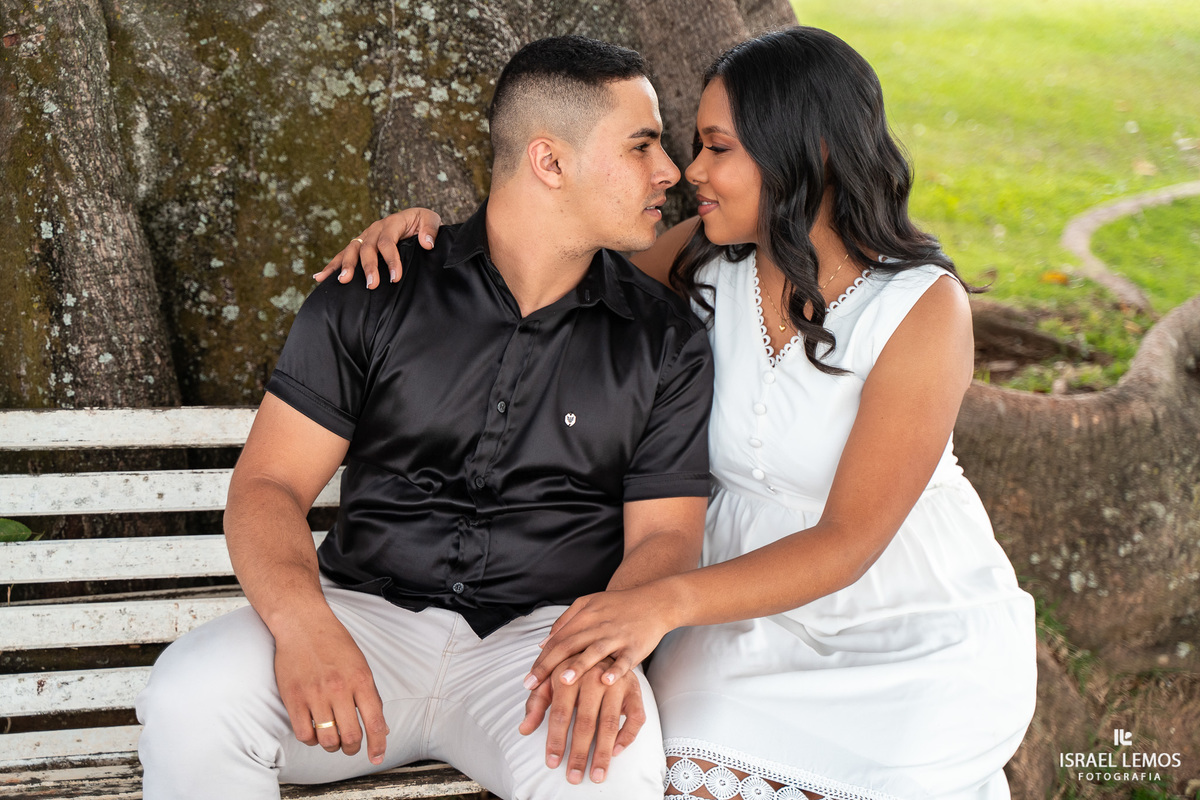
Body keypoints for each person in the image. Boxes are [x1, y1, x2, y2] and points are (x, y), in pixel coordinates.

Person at [317, 26, 1037, 800]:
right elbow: (552, 256)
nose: (690, 171)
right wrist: (426, 239)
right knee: (672, 760)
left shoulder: (920, 308)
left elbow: (848, 543)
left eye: (718, 148)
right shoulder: (703, 254)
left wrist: (655, 606)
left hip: (896, 621)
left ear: (812, 153)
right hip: (729, 621)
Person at [135, 35, 717, 800]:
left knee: (610, 769)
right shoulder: (377, 286)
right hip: (360, 621)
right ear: (550, 162)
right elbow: (270, 484)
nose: (669, 171)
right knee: (189, 696)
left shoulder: (664, 337)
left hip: (541, 648)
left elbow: (667, 535)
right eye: (642, 145)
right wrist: (305, 627)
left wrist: (604, 649)